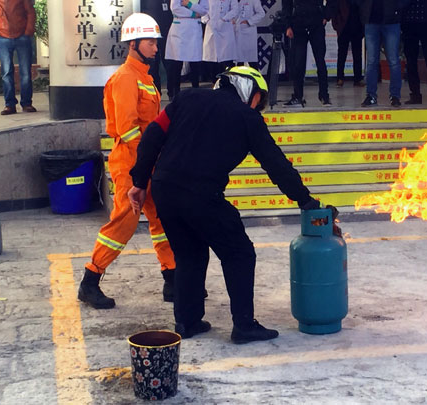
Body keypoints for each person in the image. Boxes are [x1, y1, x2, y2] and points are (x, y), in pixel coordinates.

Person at [127, 66, 324, 343]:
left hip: (164, 189)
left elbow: (151, 136)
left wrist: (139, 181)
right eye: (258, 99)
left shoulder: (186, 98)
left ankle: (187, 321)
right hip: (201, 193)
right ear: (249, 90)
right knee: (239, 253)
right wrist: (305, 200)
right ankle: (244, 325)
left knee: (188, 254)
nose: (257, 106)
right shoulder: (247, 118)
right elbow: (276, 164)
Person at [78, 13, 176, 309]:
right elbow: (128, 129)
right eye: (150, 42)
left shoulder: (144, 77)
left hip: (148, 161)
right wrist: (145, 162)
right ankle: (90, 280)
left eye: (156, 42)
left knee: (162, 218)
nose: (156, 48)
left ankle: (172, 279)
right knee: (124, 222)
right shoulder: (124, 78)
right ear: (133, 44)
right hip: (131, 163)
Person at [355, 0, 411, 108]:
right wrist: (364, 7)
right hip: (371, 22)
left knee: (393, 60)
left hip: (391, 22)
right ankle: (371, 95)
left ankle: (395, 96)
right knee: (372, 61)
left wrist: (397, 8)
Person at [282, 0, 337, 107]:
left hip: (316, 21)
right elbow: (286, 3)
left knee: (320, 60)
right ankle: (298, 96)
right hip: (298, 22)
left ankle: (324, 95)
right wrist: (288, 25)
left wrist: (326, 16)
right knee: (298, 62)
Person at [166, 0, 209, 99]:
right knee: (177, 62)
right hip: (179, 28)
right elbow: (175, 8)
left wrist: (190, 4)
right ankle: (175, 92)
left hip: (194, 29)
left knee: (194, 61)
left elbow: (204, 10)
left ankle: (195, 91)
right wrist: (193, 14)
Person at [141, 0, 174, 99]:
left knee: (170, 64)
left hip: (168, 33)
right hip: (151, 34)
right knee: (153, 66)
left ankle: (172, 93)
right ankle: (156, 93)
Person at [202, 0, 239, 78]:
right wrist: (206, 20)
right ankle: (214, 81)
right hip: (211, 27)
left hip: (225, 28)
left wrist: (223, 19)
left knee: (226, 58)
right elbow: (202, 8)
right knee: (212, 58)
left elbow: (235, 10)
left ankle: (227, 81)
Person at [332, 0, 364, 87]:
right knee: (342, 54)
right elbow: (335, 12)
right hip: (344, 29)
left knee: (357, 55)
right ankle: (340, 78)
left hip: (357, 29)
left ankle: (357, 79)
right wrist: (337, 26)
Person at [232, 0, 265, 70]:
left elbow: (261, 13)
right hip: (235, 32)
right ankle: (239, 80)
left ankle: (256, 80)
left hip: (248, 33)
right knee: (238, 62)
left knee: (252, 62)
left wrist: (249, 21)